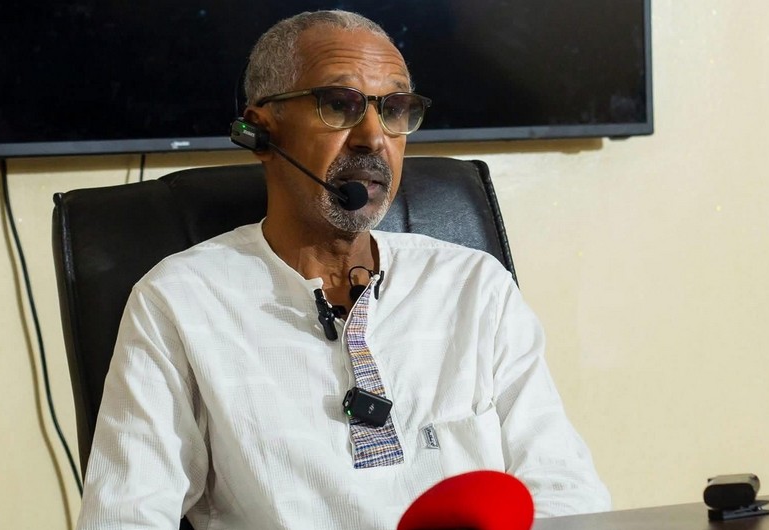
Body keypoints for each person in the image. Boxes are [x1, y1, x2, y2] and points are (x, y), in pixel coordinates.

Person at [76, 9, 611, 529]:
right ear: (262, 131)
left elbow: (562, 492)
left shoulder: (474, 286)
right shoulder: (180, 301)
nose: (374, 138)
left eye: (395, 109)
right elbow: (126, 514)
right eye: (340, 105)